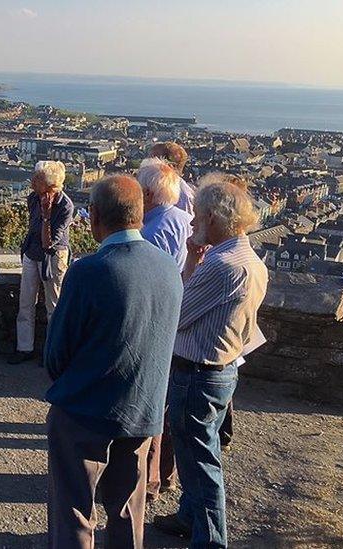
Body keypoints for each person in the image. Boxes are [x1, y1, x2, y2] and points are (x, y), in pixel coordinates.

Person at [44, 175, 183, 549]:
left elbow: (56, 354)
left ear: (93, 218)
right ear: (140, 214)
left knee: (74, 509)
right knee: (127, 511)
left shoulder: (88, 271)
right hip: (142, 411)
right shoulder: (170, 268)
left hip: (85, 412)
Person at [153, 176, 268, 549]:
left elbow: (177, 314)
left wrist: (189, 267)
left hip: (197, 373)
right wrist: (191, 261)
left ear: (217, 219)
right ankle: (189, 517)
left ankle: (211, 541)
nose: (193, 221)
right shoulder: (250, 260)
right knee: (198, 453)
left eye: (199, 215)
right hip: (223, 369)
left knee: (200, 462)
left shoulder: (222, 266)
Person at [137, 157, 194, 500]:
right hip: (180, 325)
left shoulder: (153, 231)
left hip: (158, 325)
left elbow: (143, 282)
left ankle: (147, 482)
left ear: (146, 193)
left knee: (151, 407)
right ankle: (164, 477)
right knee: (168, 408)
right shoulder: (184, 219)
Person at [9, 160, 74, 365]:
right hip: (32, 252)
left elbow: (49, 243)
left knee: (53, 306)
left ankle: (52, 353)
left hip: (53, 255)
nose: (33, 181)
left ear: (50, 185)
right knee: (25, 302)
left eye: (37, 179)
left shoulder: (65, 206)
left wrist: (46, 216)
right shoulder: (33, 198)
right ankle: (24, 347)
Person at [149, 142, 195, 215]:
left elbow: (187, 224)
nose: (147, 164)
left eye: (153, 160)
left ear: (169, 166)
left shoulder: (183, 196)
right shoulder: (152, 187)